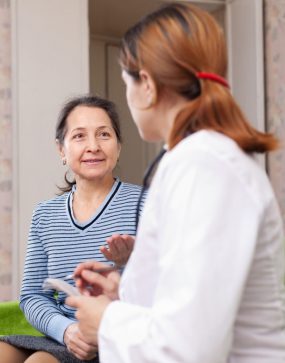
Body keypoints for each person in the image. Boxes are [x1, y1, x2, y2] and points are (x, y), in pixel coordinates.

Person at [66, 3, 285, 363]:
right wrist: (126, 293)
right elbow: (190, 302)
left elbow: (189, 348)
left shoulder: (206, 167)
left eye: (127, 83)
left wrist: (107, 321)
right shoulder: (193, 161)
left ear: (148, 86)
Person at [0, 95, 144, 363]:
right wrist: (67, 331)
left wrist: (135, 258)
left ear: (119, 145)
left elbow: (169, 288)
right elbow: (32, 297)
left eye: (104, 134)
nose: (93, 146)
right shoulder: (44, 215)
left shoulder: (146, 203)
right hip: (62, 335)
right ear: (61, 150)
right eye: (79, 136)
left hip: (115, 338)